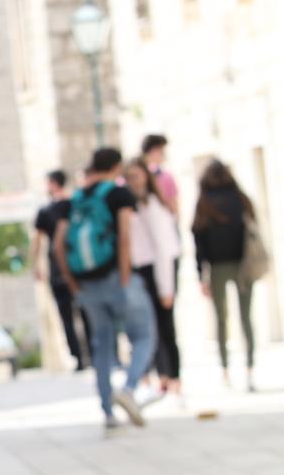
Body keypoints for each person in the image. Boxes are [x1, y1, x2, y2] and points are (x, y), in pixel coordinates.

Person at [54, 147, 157, 429]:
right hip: (116, 277)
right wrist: (124, 276)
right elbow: (124, 237)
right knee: (143, 335)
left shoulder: (74, 200)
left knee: (102, 345)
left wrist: (72, 282)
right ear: (116, 166)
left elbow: (59, 246)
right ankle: (129, 389)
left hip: (86, 284)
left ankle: (107, 411)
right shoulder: (118, 194)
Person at [192, 160, 259, 391]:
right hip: (243, 264)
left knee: (221, 319)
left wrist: (201, 274)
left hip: (218, 267)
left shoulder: (204, 202)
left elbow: (198, 240)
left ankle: (225, 370)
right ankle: (249, 370)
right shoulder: (239, 198)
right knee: (246, 318)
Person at [123, 159, 182, 397]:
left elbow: (163, 249)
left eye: (137, 176)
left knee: (166, 326)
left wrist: (166, 287)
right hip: (140, 271)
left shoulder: (153, 204)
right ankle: (162, 375)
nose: (134, 182)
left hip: (158, 269)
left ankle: (174, 377)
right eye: (129, 177)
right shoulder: (130, 206)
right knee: (149, 327)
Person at [31, 170, 89, 371]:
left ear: (53, 183)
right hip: (79, 264)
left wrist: (36, 266)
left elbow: (37, 240)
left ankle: (78, 357)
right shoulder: (76, 204)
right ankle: (92, 352)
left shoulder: (47, 210)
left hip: (57, 267)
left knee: (66, 315)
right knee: (86, 311)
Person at [141, 134, 181, 217]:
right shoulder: (165, 176)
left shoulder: (136, 174)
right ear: (154, 150)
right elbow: (173, 206)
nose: (164, 154)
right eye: (162, 151)